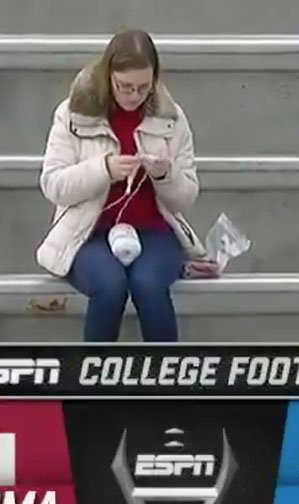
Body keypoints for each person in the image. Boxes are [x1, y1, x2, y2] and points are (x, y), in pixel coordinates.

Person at [36, 28, 209, 342]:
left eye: (144, 88)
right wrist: (103, 169)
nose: (134, 95)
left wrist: (164, 175)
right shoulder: (73, 114)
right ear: (108, 76)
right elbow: (53, 184)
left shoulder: (172, 118)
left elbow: (186, 198)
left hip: (154, 230)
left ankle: (167, 384)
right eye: (125, 86)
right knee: (110, 285)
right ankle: (93, 385)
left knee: (149, 285)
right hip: (88, 232)